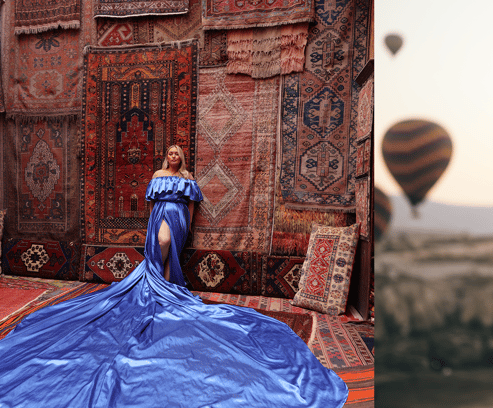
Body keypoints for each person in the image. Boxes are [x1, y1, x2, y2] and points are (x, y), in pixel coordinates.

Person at [0, 145, 348, 407]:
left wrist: (189, 224)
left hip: (179, 218)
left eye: (179, 153)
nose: (174, 156)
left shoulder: (187, 180)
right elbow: (152, 205)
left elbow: (193, 205)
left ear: (183, 157)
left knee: (171, 252)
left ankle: (166, 286)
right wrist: (150, 227)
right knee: (160, 245)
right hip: (160, 218)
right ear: (166, 157)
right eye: (170, 153)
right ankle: (161, 286)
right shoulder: (156, 177)